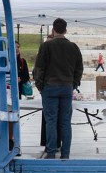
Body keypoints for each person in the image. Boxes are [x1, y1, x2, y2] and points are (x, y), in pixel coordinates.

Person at [33, 17, 83, 159]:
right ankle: (65, 153)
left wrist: (40, 86)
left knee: (51, 120)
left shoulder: (46, 46)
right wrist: (74, 84)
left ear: (53, 30)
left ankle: (51, 151)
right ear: (66, 30)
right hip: (66, 87)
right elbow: (79, 68)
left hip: (50, 87)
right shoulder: (73, 47)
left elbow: (39, 68)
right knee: (65, 121)